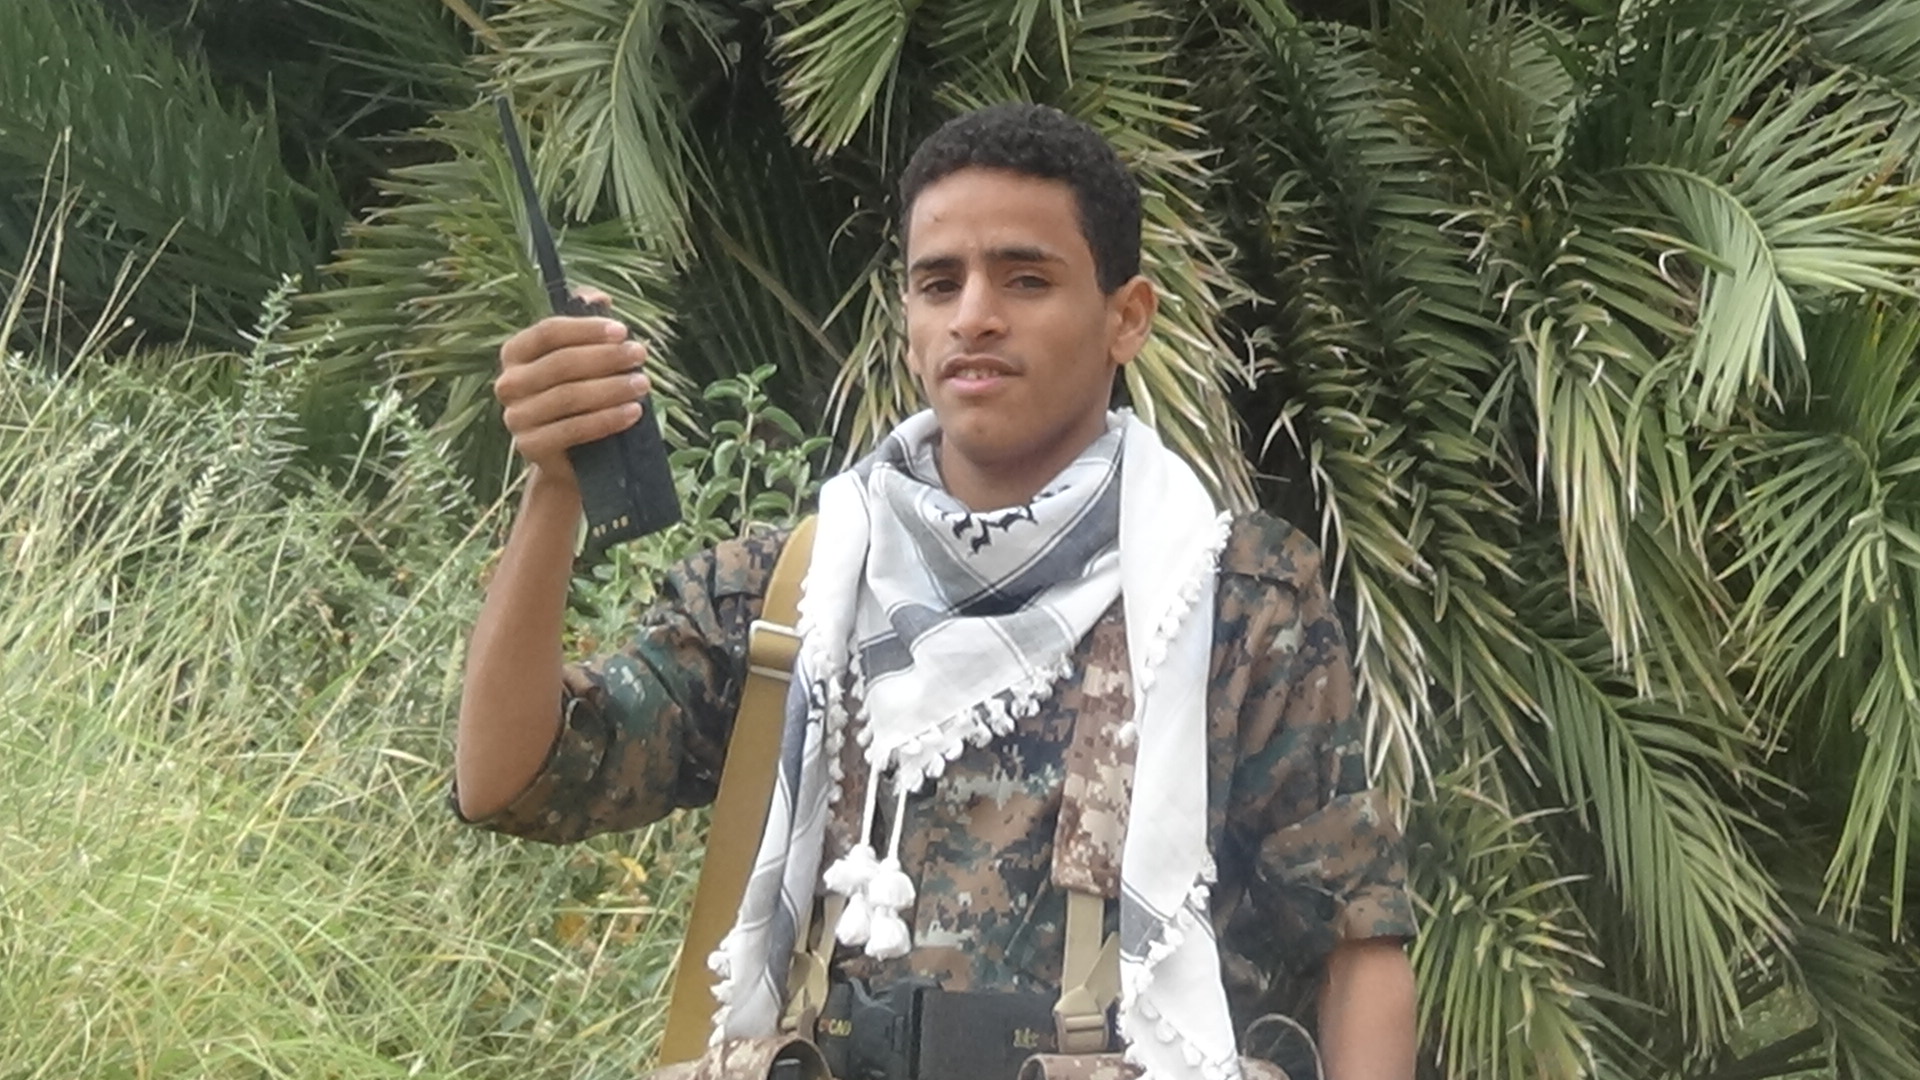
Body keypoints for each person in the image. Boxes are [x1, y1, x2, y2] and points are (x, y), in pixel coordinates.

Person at [454, 103, 1417, 1080]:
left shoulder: (1230, 599)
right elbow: (512, 777)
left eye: (1026, 279)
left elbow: (1356, 939)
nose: (974, 316)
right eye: (938, 283)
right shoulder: (795, 592)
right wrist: (556, 485)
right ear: (909, 325)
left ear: (1126, 317)